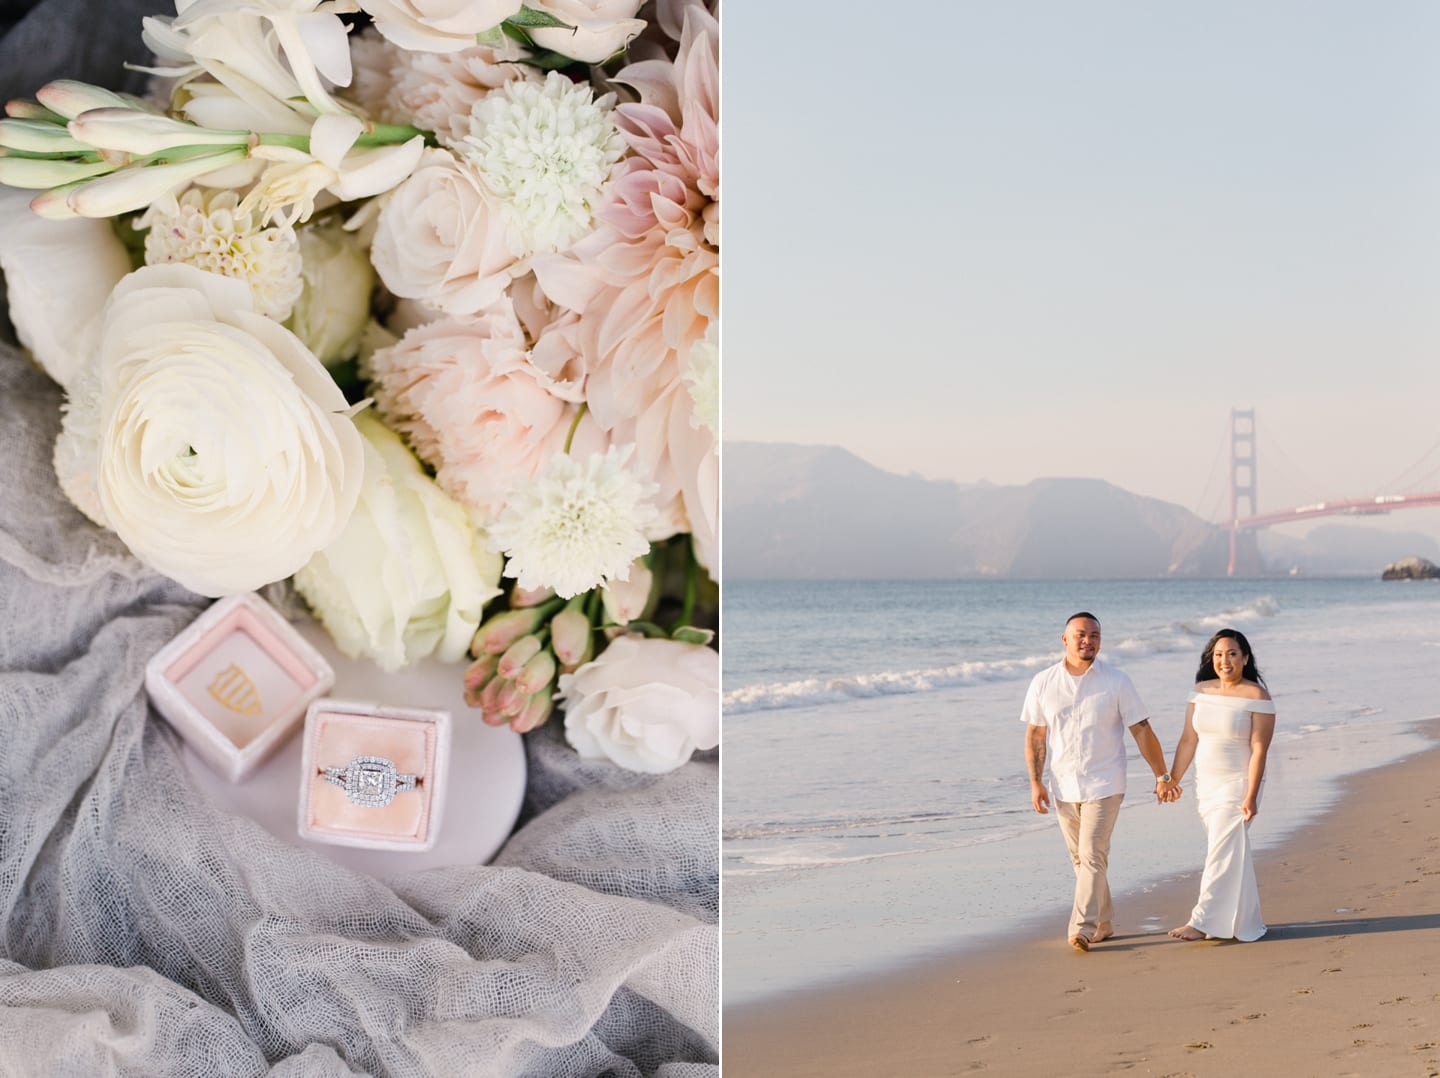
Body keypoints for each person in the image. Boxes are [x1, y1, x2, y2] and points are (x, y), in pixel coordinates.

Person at [1022, 612, 1180, 952]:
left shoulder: (1117, 681)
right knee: (1082, 861)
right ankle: (1105, 922)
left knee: (1092, 854)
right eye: (1080, 634)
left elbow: (1141, 728)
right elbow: (1036, 735)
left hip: (1106, 783)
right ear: (1064, 639)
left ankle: (1080, 927)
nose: (1088, 641)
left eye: (1094, 635)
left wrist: (1162, 775)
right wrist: (1036, 782)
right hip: (1064, 785)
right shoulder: (1043, 683)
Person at [1164, 627, 1276, 942]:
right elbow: (1189, 739)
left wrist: (1251, 795)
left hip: (1238, 783)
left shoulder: (1257, 696)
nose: (1224, 661)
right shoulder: (1200, 690)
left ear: (1245, 658)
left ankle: (1202, 921)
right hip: (1207, 783)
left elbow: (1259, 749)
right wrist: (1172, 779)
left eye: (1231, 654)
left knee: (1220, 850)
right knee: (1227, 850)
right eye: (1218, 654)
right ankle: (1241, 921)